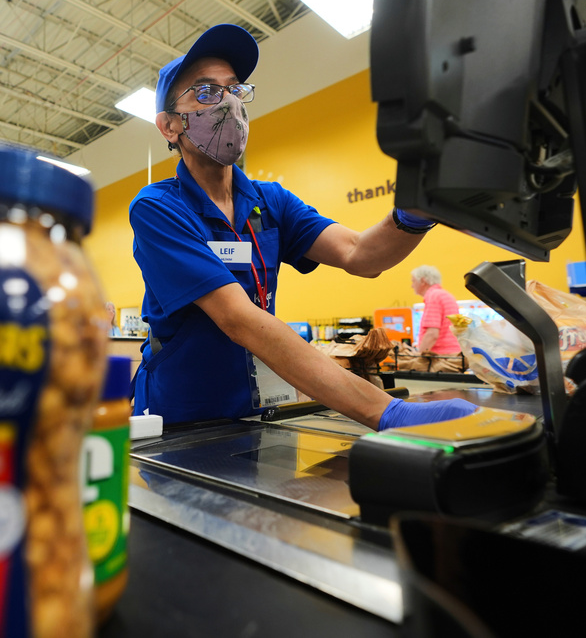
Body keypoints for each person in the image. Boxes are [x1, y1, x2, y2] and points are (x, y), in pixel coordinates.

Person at [128, 24, 476, 431]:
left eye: (235, 90)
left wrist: (415, 211)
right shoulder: (157, 208)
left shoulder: (268, 201)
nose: (228, 104)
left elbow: (360, 255)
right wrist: (383, 410)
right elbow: (238, 318)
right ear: (169, 126)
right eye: (205, 92)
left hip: (257, 413)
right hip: (180, 419)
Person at [410, 265, 462, 355]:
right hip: (453, 354)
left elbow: (432, 334)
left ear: (423, 281)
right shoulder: (446, 295)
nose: (412, 286)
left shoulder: (433, 296)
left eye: (413, 281)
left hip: (439, 357)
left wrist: (419, 356)